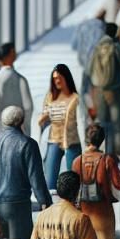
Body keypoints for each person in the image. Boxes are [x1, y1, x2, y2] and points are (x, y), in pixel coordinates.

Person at [0, 105, 52, 239]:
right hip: (18, 205)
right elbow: (36, 178)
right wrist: (45, 202)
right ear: (22, 120)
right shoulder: (27, 144)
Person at [86, 23, 120, 157]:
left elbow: (89, 70)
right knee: (118, 120)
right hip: (115, 89)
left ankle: (103, 149)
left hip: (99, 89)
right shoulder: (118, 47)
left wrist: (93, 88)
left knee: (102, 121)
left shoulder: (96, 48)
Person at [38, 64, 81, 192]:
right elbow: (45, 115)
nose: (57, 81)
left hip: (72, 141)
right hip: (54, 139)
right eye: (54, 78)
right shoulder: (50, 97)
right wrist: (42, 119)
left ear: (66, 78)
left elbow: (82, 120)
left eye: (60, 78)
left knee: (73, 180)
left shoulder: (75, 98)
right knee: (50, 181)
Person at [0, 42, 34, 138]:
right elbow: (28, 106)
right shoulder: (21, 79)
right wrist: (26, 129)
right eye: (13, 51)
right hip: (19, 132)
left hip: (0, 131)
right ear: (10, 54)